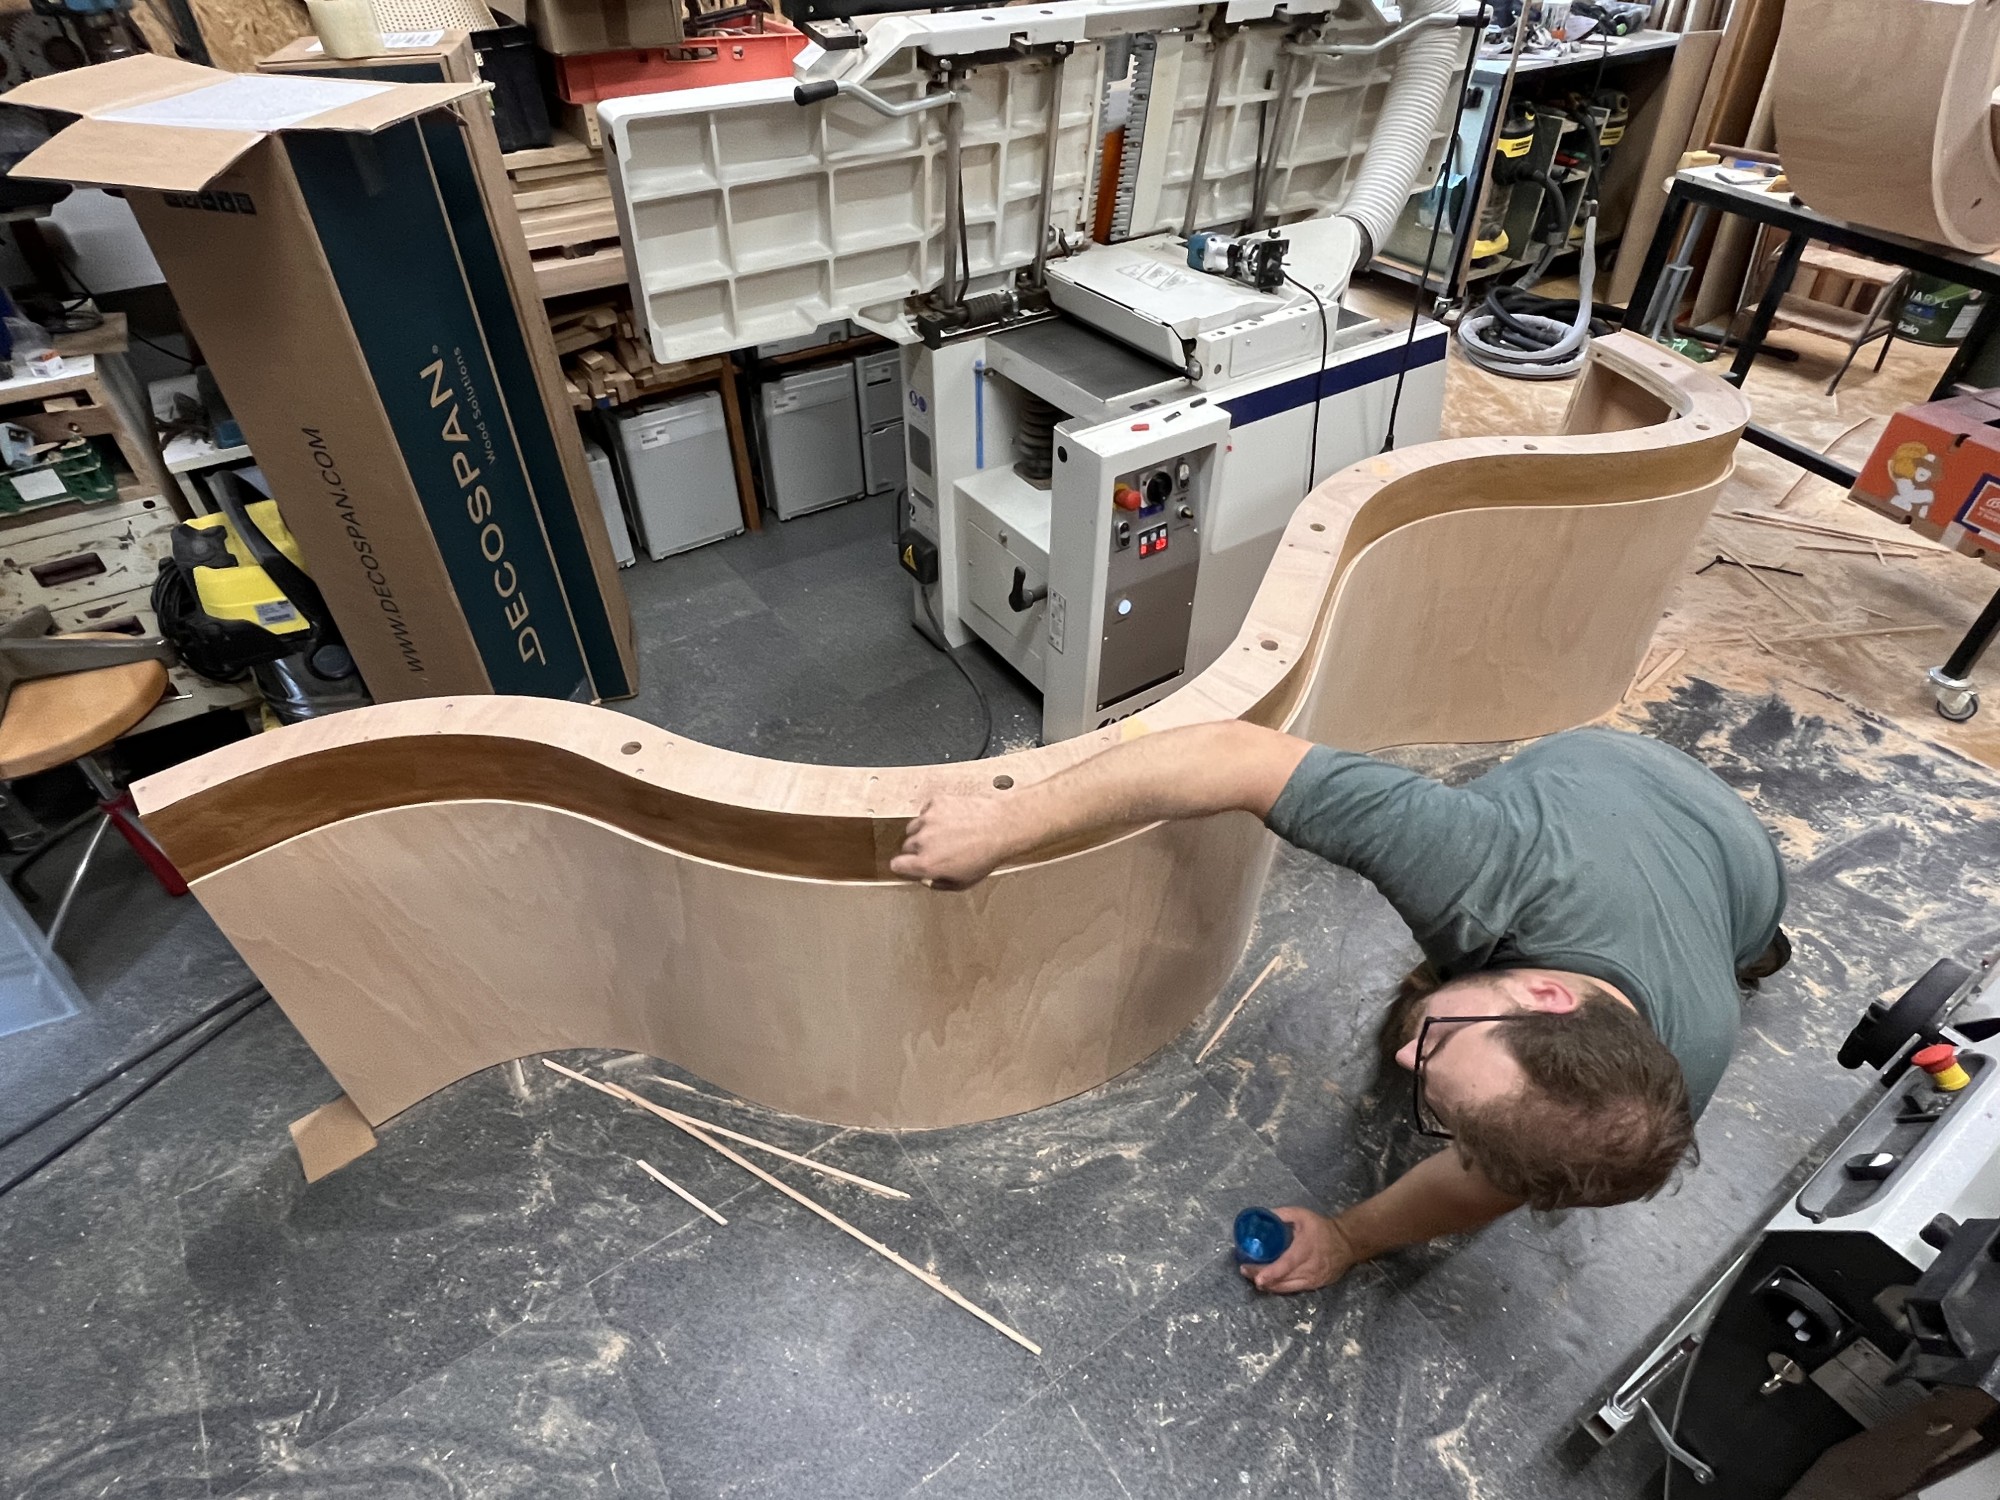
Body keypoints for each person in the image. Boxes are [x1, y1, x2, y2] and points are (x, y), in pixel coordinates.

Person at [889, 723, 1788, 1296]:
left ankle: (1755, 948)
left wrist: (1350, 1239)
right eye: (1439, 1044)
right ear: (1544, 994)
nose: (1403, 1060)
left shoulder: (1673, 1078)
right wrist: (1005, 822)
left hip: (1742, 883)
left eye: (1436, 1091)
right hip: (1610, 769)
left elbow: (1493, 1180)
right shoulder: (1478, 866)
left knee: (1743, 948)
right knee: (1449, 985)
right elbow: (1240, 756)